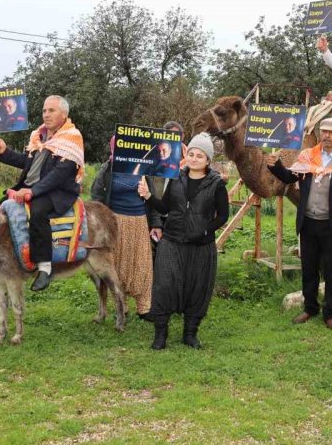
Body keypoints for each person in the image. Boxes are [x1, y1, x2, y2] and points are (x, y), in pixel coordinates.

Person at [266, 117, 332, 329]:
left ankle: (330, 312)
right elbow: (290, 177)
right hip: (308, 222)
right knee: (309, 268)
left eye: (331, 132)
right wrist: (275, 165)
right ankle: (310, 308)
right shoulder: (308, 156)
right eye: (323, 131)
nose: (326, 135)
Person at [137, 133, 229, 350]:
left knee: (197, 289)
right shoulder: (175, 178)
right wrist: (149, 196)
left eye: (200, 155)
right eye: (191, 154)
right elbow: (165, 207)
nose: (195, 158)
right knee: (164, 286)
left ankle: (190, 334)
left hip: (201, 247)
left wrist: (206, 230)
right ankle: (160, 335)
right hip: (172, 241)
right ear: (186, 156)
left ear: (208, 160)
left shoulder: (216, 184)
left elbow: (223, 215)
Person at [0, 95, 84, 292]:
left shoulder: (72, 136)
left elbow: (60, 174)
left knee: (38, 211)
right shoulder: (39, 136)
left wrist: (32, 192)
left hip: (56, 191)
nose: (46, 115)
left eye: (52, 110)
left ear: (64, 114)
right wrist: (5, 151)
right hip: (33, 187)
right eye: (44, 111)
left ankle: (44, 267)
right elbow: (27, 162)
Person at [91, 137, 153, 321]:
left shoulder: (143, 167)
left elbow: (153, 197)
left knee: (141, 263)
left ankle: (145, 307)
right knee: (117, 264)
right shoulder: (108, 168)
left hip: (139, 220)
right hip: (115, 222)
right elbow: (96, 195)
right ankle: (121, 304)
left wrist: (155, 223)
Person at [148, 121, 188, 245]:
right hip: (156, 211)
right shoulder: (155, 157)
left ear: (182, 136)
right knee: (154, 246)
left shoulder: (191, 159)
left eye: (175, 135)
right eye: (169, 135)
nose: (172, 139)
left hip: (178, 216)